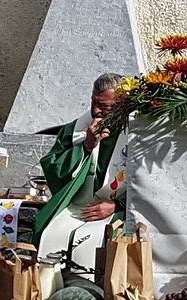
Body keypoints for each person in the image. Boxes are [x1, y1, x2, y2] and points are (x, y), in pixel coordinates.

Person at [33, 73, 128, 271]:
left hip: (117, 210)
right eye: (94, 102)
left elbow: (152, 180)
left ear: (122, 105)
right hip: (76, 207)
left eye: (105, 106)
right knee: (47, 229)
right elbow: (53, 168)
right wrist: (85, 147)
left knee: (108, 237)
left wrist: (119, 204)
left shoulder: (138, 134)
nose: (96, 111)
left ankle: (97, 286)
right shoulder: (74, 130)